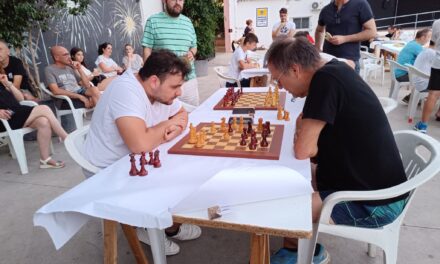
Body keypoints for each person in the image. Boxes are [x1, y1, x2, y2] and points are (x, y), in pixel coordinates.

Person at [266, 38, 408, 264]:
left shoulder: (325, 81)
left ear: (295, 69)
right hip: (375, 185)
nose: (280, 87)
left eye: (279, 79)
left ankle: (306, 254)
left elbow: (303, 150)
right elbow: (310, 146)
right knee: (289, 180)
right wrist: (302, 130)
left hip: (376, 204)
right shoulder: (334, 69)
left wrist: (301, 131)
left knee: (286, 205)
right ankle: (296, 247)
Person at [83, 49, 201, 256]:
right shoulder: (127, 90)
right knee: (180, 175)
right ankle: (148, 227)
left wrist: (173, 126)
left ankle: (170, 226)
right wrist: (167, 126)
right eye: (175, 87)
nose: (179, 93)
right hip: (107, 170)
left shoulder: (160, 92)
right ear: (154, 81)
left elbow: (181, 113)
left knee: (191, 165)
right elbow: (140, 144)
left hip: (136, 161)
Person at [0, 67, 67, 169]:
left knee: (43, 122)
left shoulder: (2, 82)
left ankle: (45, 160)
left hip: (17, 113)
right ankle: (66, 138)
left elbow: (20, 98)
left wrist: (8, 84)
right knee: (44, 108)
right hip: (5, 119)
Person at [142, 0, 199, 107]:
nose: (178, 2)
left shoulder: (188, 22)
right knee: (166, 120)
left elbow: (194, 46)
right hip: (164, 84)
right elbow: (147, 50)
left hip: (189, 81)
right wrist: (148, 76)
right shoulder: (153, 21)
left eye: (181, 0)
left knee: (193, 116)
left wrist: (191, 52)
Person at [314, 0, 377, 73]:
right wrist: (317, 48)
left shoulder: (360, 4)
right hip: (328, 62)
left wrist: (345, 39)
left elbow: (372, 31)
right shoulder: (326, 10)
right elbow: (319, 30)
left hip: (349, 63)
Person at [414, 19, 440, 133]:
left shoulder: (437, 23)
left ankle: (423, 125)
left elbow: (433, 43)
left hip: (438, 62)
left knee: (433, 94)